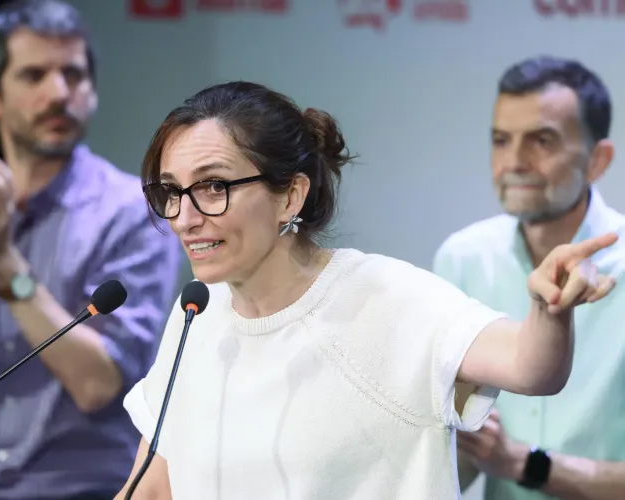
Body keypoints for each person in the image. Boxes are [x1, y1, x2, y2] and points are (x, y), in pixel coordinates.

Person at [112, 80, 617, 500]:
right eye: (170, 191)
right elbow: (153, 486)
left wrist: (550, 310)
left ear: (291, 195)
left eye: (213, 187)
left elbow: (531, 367)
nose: (185, 218)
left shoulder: (381, 296)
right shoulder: (197, 312)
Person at [0, 1, 181, 499]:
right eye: (34, 76)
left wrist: (9, 269)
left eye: (74, 74)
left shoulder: (133, 214)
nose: (59, 94)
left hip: (84, 489)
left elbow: (97, 386)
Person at [434, 56, 625, 499]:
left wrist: (522, 463)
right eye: (501, 140)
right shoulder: (462, 259)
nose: (514, 162)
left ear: (597, 161)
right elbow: (452, 455)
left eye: (542, 141)